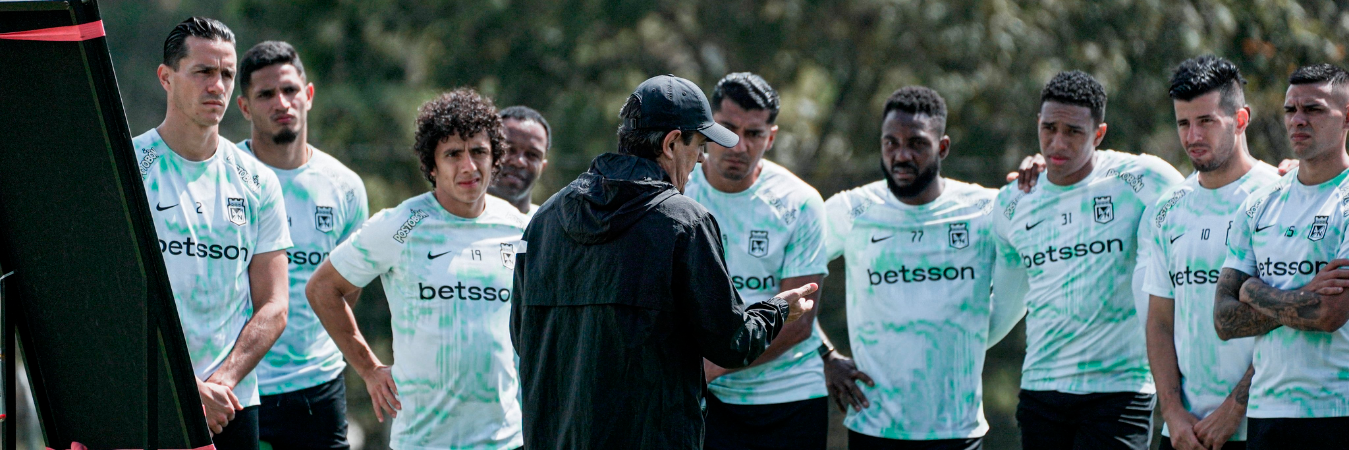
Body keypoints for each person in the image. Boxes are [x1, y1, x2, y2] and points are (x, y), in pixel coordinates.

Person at [511, 74, 818, 449]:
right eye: (700, 145)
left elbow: (523, 335)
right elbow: (731, 343)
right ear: (673, 143)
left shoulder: (544, 218)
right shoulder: (684, 222)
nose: (702, 157)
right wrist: (777, 310)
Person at [305, 89, 526, 449]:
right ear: (432, 164)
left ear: (495, 157)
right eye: (453, 154)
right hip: (424, 440)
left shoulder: (519, 229)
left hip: (505, 440)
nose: (469, 166)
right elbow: (321, 289)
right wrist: (369, 369)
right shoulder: (401, 224)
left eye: (479, 152)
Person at [819, 86, 1026, 450]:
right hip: (874, 429)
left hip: (957, 431)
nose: (901, 155)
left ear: (942, 147)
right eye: (890, 143)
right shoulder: (853, 210)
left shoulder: (984, 209)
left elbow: (1026, 273)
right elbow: (787, 272)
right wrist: (823, 355)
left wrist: (973, 337)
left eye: (916, 144)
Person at [991, 70, 1184, 449]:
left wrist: (1286, 179)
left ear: (1099, 133)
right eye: (1049, 128)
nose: (1057, 142)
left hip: (1120, 390)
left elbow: (1215, 198)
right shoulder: (1012, 202)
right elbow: (1004, 308)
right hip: (1040, 391)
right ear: (1038, 125)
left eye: (1074, 132)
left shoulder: (1141, 179)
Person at [134, 17, 291, 448]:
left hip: (229, 406)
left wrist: (220, 384)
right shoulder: (128, 168)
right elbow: (107, 300)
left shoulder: (258, 182)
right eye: (203, 71)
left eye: (226, 74)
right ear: (166, 78)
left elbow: (275, 306)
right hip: (145, 399)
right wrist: (184, 390)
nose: (217, 85)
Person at [235, 40, 368, 450]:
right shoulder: (226, 178)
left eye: (290, 90)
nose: (282, 102)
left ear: (308, 96)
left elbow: (347, 293)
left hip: (317, 387)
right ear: (244, 107)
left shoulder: (345, 188)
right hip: (238, 384)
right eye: (265, 94)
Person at [685, 72, 830, 449]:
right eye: (728, 129)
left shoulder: (800, 202)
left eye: (754, 134)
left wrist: (710, 368)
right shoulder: (677, 192)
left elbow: (800, 320)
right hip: (704, 399)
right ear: (706, 128)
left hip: (788, 400)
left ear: (772, 137)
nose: (738, 146)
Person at [1142, 55, 1276, 450]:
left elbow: (1286, 321)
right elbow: (1160, 322)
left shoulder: (1278, 196)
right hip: (1184, 433)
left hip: (1259, 425)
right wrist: (1172, 412)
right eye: (1183, 123)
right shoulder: (1168, 208)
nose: (1192, 136)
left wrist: (1235, 409)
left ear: (1240, 120)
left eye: (1206, 121)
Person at [1214, 63, 1349, 449]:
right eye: (1291, 110)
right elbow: (1224, 320)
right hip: (1266, 414)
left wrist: (1253, 289)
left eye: (1314, 109)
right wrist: (1306, 292)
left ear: (1348, 117)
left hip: (1336, 412)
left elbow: (1328, 314)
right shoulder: (1259, 204)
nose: (1298, 120)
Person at [488, 105, 551, 217]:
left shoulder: (550, 228)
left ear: (543, 167)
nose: (519, 161)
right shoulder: (452, 220)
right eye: (509, 149)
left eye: (532, 155)